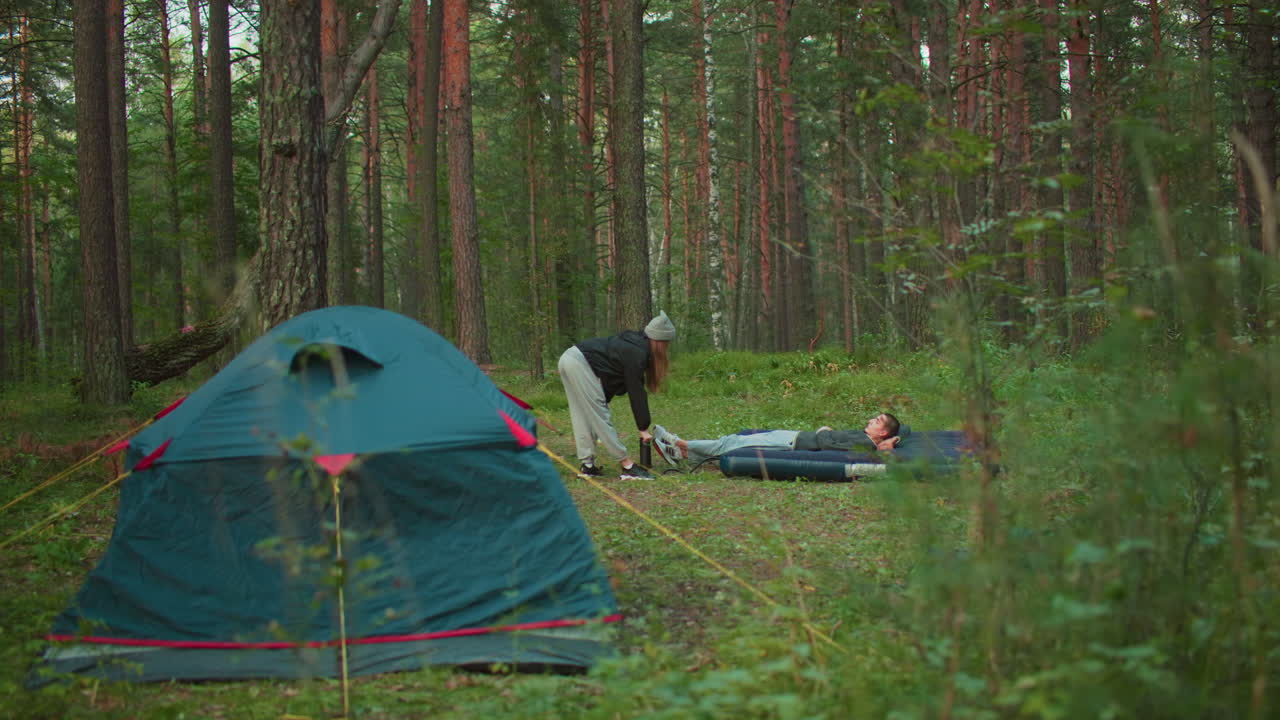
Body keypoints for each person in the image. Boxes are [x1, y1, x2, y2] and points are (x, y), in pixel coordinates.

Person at [558, 311, 676, 480]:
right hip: (579, 362)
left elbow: (613, 376)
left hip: (568, 358)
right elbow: (636, 391)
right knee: (599, 415)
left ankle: (587, 466)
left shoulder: (634, 345)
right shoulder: (638, 352)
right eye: (667, 343)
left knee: (582, 414)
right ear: (660, 341)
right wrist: (643, 428)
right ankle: (627, 465)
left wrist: (602, 400)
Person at [650, 413, 902, 468]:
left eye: (878, 420)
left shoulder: (865, 444)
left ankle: (680, 444)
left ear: (883, 433)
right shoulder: (865, 436)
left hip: (793, 444)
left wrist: (824, 429)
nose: (871, 420)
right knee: (734, 440)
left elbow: (826, 444)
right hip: (794, 436)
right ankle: (681, 455)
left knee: (734, 444)